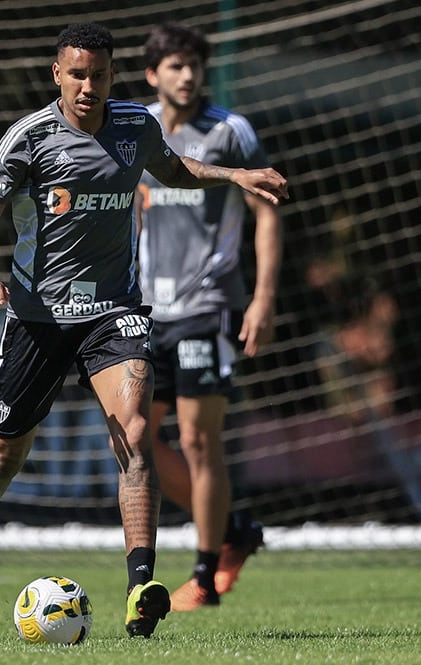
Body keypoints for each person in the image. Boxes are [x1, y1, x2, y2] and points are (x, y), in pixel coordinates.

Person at [0, 22, 288, 638]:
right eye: (76, 75)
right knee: (1, 458)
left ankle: (140, 587)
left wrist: (234, 176)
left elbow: (173, 168)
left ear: (111, 75)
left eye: (98, 75)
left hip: (114, 311)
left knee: (134, 431)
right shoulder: (29, 139)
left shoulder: (133, 125)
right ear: (57, 74)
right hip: (38, 317)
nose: (88, 86)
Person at [135, 23, 282, 611]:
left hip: (209, 306)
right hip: (145, 310)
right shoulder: (136, 130)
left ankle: (203, 574)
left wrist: (263, 297)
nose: (187, 74)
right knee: (132, 438)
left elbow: (267, 209)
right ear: (153, 74)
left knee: (199, 441)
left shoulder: (229, 130)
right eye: (175, 64)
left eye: (194, 64)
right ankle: (231, 531)